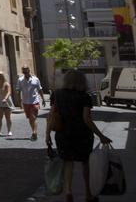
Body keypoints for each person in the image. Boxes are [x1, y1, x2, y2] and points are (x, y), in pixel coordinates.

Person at [45, 70, 112, 202]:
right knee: (85, 163)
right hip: (82, 135)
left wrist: (47, 135)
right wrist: (101, 136)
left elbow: (51, 115)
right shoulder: (84, 97)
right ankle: (88, 193)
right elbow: (87, 119)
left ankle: (68, 192)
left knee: (68, 162)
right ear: (82, 81)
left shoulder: (57, 95)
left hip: (63, 134)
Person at [16, 65, 46, 140]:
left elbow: (40, 89)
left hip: (34, 101)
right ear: (22, 71)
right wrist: (19, 101)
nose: (25, 71)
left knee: (33, 117)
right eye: (23, 70)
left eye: (26, 70)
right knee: (30, 118)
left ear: (29, 70)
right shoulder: (20, 80)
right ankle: (34, 131)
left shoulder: (36, 79)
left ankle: (34, 133)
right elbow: (18, 90)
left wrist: (43, 99)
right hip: (25, 102)